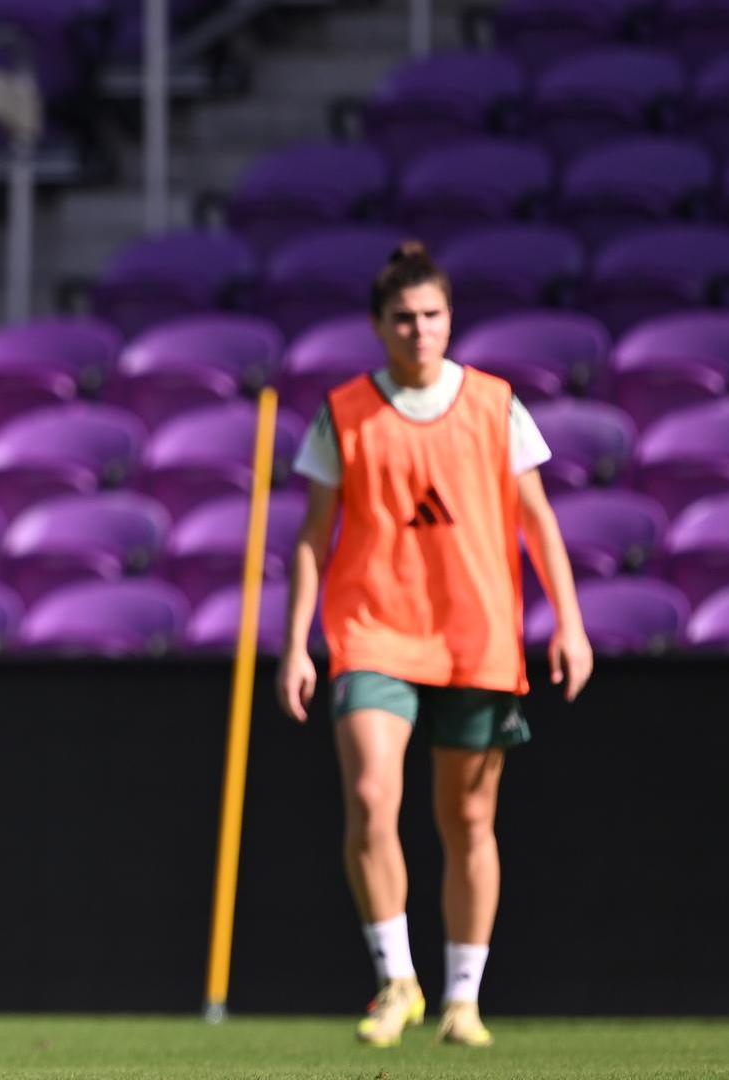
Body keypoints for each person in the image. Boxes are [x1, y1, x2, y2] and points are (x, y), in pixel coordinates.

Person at [275, 241, 593, 1049]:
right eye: (404, 319)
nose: (420, 331)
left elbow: (538, 524)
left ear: (450, 320)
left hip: (475, 633)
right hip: (372, 629)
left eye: (433, 316)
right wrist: (295, 645)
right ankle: (397, 982)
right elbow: (313, 537)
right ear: (379, 327)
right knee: (374, 798)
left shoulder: (494, 404)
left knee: (469, 817)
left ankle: (462, 998)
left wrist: (572, 625)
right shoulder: (344, 412)